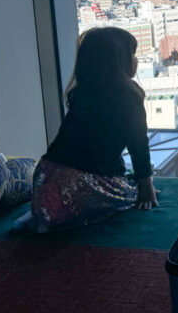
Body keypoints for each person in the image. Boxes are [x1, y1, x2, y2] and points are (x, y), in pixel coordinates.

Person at [15, 27, 158, 233]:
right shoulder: (129, 97)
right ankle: (57, 217)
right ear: (118, 61)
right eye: (132, 54)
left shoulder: (80, 94)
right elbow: (138, 144)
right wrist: (145, 186)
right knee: (129, 194)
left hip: (45, 178)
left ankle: (45, 215)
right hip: (79, 184)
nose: (136, 60)